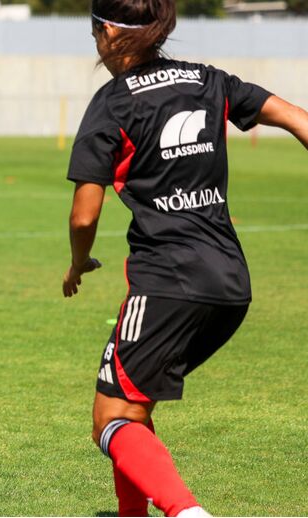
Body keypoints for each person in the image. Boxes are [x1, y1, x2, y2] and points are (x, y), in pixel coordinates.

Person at [62, 0, 308, 515]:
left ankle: (187, 512)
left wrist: (78, 261)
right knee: (133, 405)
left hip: (167, 282)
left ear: (109, 32)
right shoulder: (206, 79)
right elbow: (291, 116)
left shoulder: (113, 103)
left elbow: (85, 216)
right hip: (230, 282)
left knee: (111, 418)